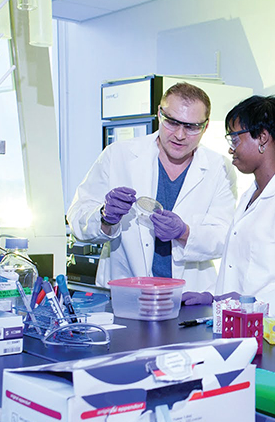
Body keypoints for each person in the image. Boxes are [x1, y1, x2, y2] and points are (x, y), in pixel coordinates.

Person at [67, 82, 236, 291]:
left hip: (188, 296)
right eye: (172, 122)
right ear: (159, 114)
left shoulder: (219, 167)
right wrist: (104, 217)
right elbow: (76, 217)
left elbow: (225, 236)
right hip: (125, 290)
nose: (180, 135)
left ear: (206, 126)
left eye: (191, 127)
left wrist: (184, 232)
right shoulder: (118, 155)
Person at [182, 96, 275, 316]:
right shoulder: (251, 196)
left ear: (262, 138)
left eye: (235, 139)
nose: (231, 150)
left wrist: (255, 304)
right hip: (239, 325)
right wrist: (212, 296)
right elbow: (240, 272)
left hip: (273, 333)